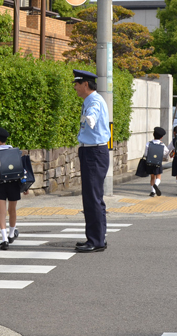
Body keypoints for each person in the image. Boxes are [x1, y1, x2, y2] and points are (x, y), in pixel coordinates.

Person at [72, 69, 110, 253]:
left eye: (77, 84)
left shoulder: (93, 101)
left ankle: (96, 240)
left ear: (85, 84)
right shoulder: (92, 99)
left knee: (92, 197)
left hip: (94, 153)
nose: (75, 88)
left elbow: (93, 116)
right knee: (93, 197)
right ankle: (97, 237)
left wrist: (91, 118)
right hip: (94, 152)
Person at [0, 126, 28, 250]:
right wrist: (24, 186)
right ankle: (11, 234)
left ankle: (4, 239)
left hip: (0, 184)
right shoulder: (15, 152)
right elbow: (22, 169)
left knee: (2, 212)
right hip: (14, 184)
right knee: (13, 210)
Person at [144, 127, 170, 197]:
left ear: (153, 134)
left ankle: (152, 192)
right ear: (161, 137)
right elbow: (166, 152)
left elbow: (146, 154)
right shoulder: (162, 144)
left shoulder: (148, 143)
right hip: (158, 162)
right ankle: (156, 184)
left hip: (150, 162)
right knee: (158, 176)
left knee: (152, 177)